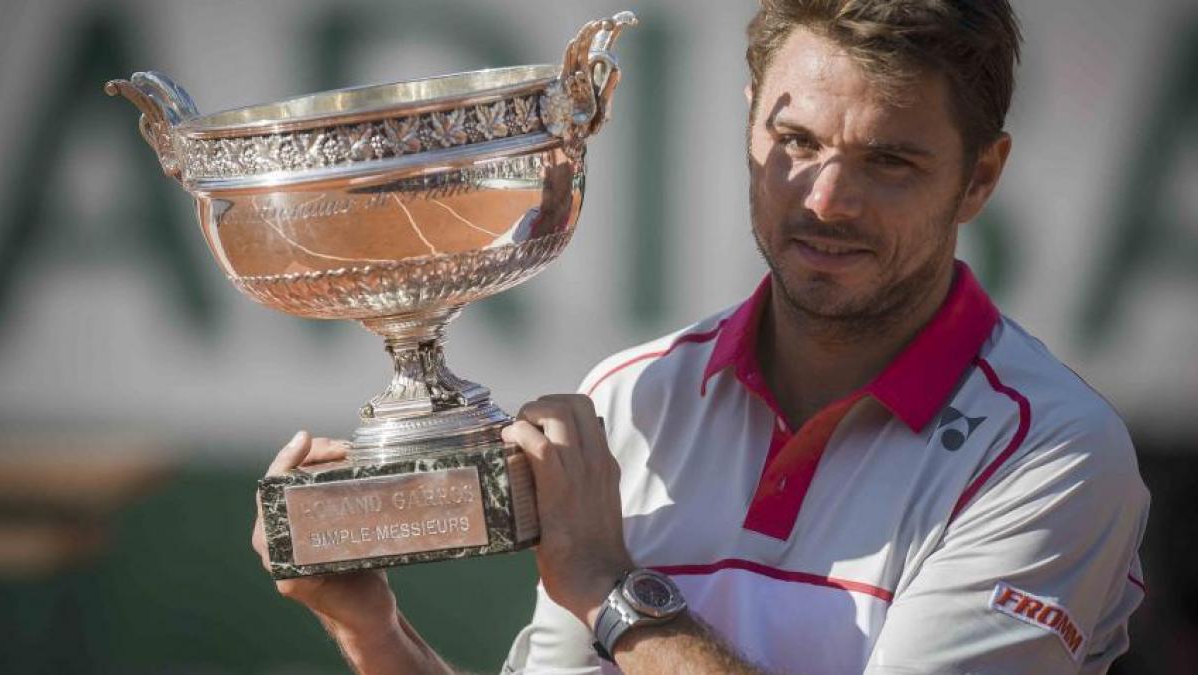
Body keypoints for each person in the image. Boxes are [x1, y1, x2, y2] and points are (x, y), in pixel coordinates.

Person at [251, 1, 1150, 672]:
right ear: (751, 119)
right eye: (794, 140)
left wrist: (614, 591)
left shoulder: (1055, 453)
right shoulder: (630, 395)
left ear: (980, 177)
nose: (824, 198)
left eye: (889, 160)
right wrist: (373, 629)